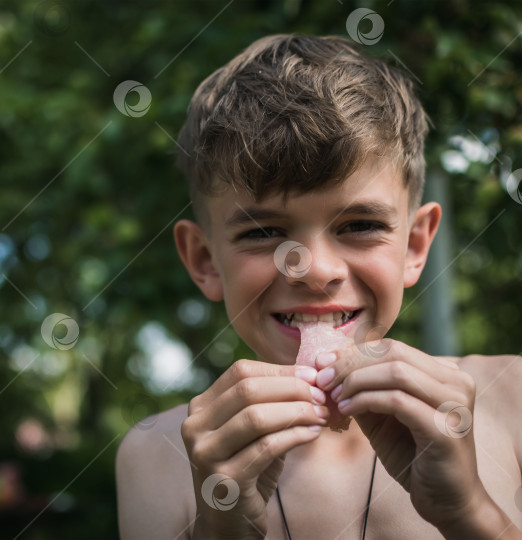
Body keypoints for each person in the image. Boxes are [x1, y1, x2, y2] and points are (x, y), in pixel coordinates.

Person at [115, 34, 522, 539]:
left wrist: (472, 514)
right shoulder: (158, 454)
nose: (315, 269)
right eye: (263, 233)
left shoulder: (511, 400)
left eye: (359, 225)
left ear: (415, 247)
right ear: (205, 261)